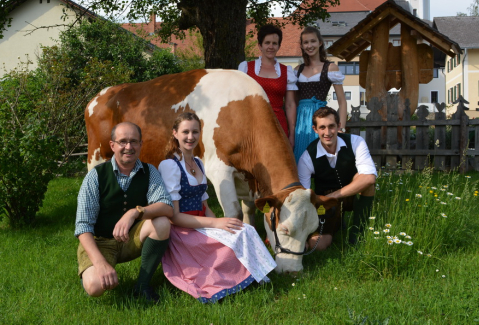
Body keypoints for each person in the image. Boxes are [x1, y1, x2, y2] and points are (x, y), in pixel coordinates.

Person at [158, 112, 277, 303]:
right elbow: (174, 217)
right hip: (183, 231)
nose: (190, 137)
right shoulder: (169, 166)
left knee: (244, 229)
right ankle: (235, 278)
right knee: (235, 236)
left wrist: (219, 227)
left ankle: (254, 274)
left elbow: (204, 205)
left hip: (201, 223)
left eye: (195, 132)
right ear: (175, 133)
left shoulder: (198, 163)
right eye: (185, 132)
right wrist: (216, 223)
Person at [75, 122, 174, 303]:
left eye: (134, 141)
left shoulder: (149, 171)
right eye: (123, 142)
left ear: (141, 144)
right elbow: (82, 227)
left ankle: (142, 286)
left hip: (130, 239)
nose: (129, 147)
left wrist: (135, 212)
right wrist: (100, 263)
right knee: (95, 287)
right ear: (112, 145)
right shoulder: (96, 176)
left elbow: (167, 207)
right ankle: (93, 272)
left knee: (162, 222)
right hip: (100, 243)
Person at [297, 107, 376, 249]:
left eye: (331, 126)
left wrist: (335, 195)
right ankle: (337, 222)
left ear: (339, 126)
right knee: (317, 245)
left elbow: (370, 178)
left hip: (350, 194)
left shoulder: (356, 142)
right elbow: (304, 195)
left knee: (366, 181)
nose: (327, 133)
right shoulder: (307, 157)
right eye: (322, 127)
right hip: (325, 203)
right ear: (315, 129)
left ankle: (356, 235)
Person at [238, 24, 298, 147]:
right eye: (267, 43)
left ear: (279, 46)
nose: (271, 46)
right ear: (260, 45)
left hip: (278, 125)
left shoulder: (287, 71)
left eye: (274, 43)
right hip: (252, 125)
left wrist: (292, 134)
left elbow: (290, 105)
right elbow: (240, 101)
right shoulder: (246, 68)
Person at [293, 26, 347, 163]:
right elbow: (292, 102)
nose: (309, 45)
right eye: (306, 42)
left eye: (313, 41)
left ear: (320, 43)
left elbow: (342, 101)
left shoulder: (330, 68)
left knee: (320, 158)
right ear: (302, 45)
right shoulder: (297, 71)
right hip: (300, 121)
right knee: (300, 158)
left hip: (321, 118)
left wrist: (341, 128)